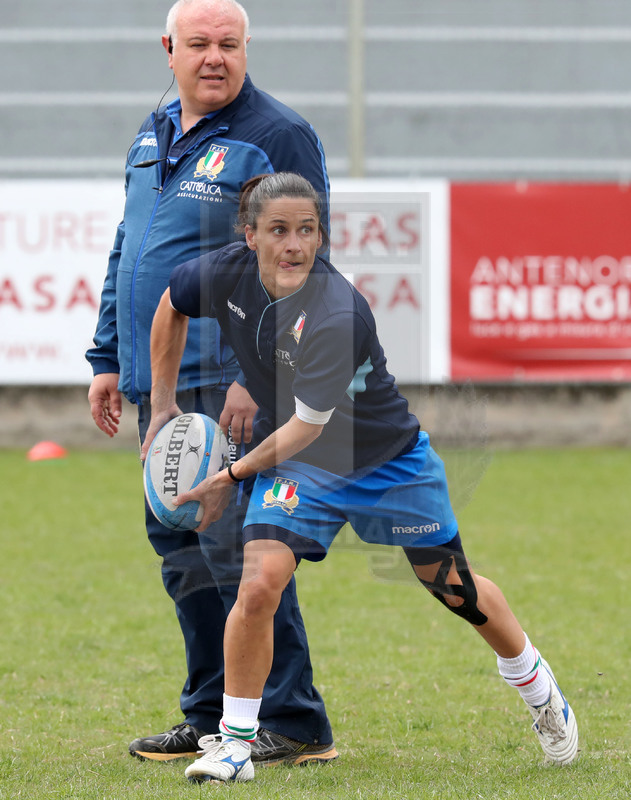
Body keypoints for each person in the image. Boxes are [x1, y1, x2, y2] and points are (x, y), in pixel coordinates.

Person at [144, 172, 579, 784]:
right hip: (301, 466)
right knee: (261, 579)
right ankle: (236, 744)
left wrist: (230, 476)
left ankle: (539, 690)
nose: (295, 244)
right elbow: (170, 304)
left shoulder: (337, 310)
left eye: (307, 230)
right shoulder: (219, 272)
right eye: (278, 230)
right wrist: (163, 405)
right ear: (248, 236)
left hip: (383, 459)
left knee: (454, 589)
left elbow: (306, 427)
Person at [85, 0, 337, 765]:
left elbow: (301, 267)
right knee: (180, 549)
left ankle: (291, 722)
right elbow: (130, 249)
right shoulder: (152, 131)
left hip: (233, 390)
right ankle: (208, 710)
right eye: (198, 44)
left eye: (229, 44)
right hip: (156, 384)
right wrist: (106, 358)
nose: (214, 58)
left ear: (247, 48)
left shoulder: (276, 135)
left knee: (244, 553)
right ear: (169, 49)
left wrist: (254, 376)